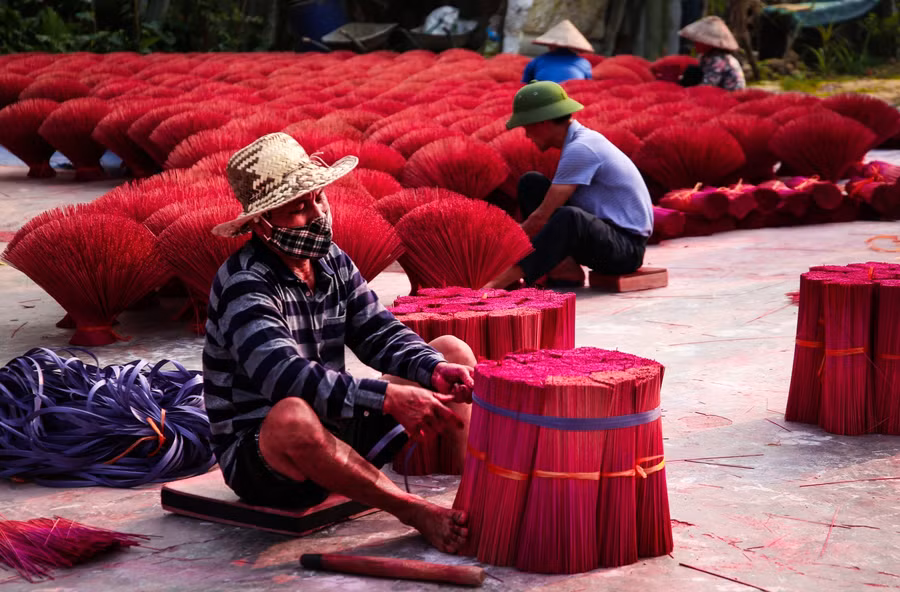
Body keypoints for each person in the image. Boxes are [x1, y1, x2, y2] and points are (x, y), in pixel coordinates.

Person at [204, 132, 476, 553]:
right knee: (292, 414)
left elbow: (379, 332)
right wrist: (387, 397)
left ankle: (472, 495)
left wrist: (432, 368)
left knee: (450, 350)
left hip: (336, 424)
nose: (317, 215)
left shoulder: (330, 261)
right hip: (267, 456)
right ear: (260, 223)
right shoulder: (245, 283)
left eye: (318, 199)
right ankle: (411, 510)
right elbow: (285, 378)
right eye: (298, 208)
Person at [484, 81, 653, 290]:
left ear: (542, 123)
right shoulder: (578, 141)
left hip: (625, 251)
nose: (527, 136)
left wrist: (500, 250)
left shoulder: (581, 147)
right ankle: (565, 269)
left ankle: (495, 284)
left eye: (527, 127)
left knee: (570, 218)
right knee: (532, 183)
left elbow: (541, 218)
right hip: (604, 236)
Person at [678, 15, 746, 90]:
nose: (695, 44)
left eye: (699, 41)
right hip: (717, 92)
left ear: (708, 43)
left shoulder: (719, 60)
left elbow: (708, 86)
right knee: (691, 71)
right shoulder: (706, 57)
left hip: (729, 96)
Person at [522, 19, 593, 84]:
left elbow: (524, 84)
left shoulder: (538, 60)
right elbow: (587, 85)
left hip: (543, 93)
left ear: (551, 45)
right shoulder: (584, 63)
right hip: (573, 94)